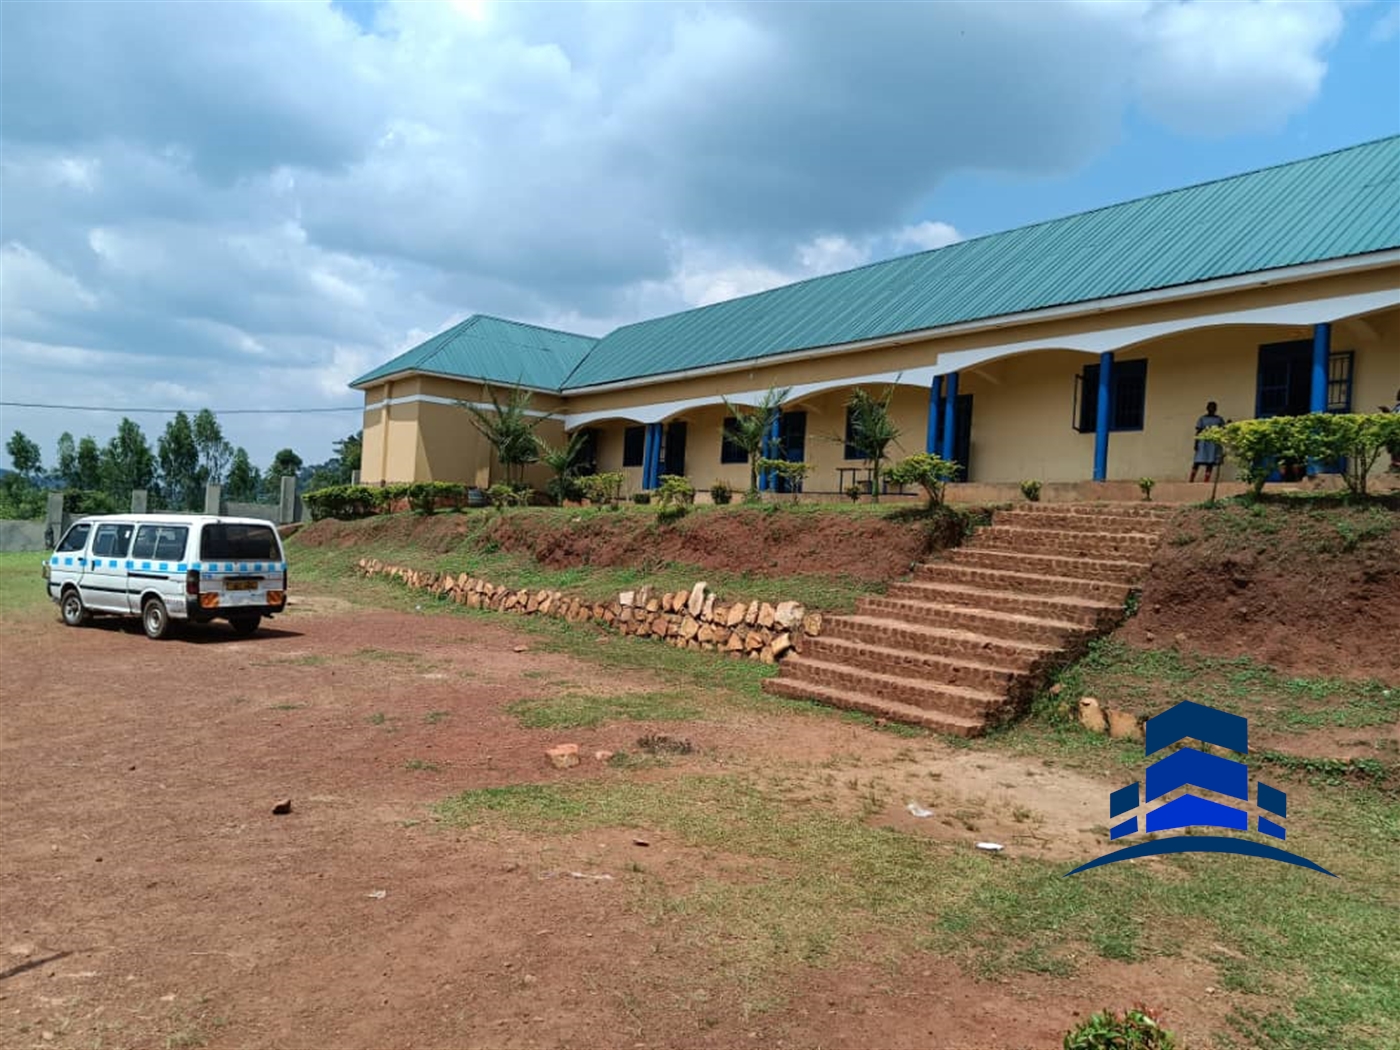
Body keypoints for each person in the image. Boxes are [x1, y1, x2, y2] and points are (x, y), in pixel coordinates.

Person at [1189, 402, 1227, 482]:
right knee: (1197, 461)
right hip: (1203, 442)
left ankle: (1206, 480)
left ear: (1216, 409)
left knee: (1210, 461)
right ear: (1207, 408)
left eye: (1213, 407)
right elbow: (1198, 431)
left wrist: (1228, 425)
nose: (1211, 409)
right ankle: (1191, 479)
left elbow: (1223, 429)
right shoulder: (1202, 419)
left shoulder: (1219, 419)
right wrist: (1196, 443)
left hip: (1213, 443)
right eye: (1210, 407)